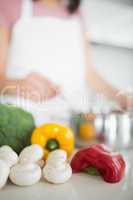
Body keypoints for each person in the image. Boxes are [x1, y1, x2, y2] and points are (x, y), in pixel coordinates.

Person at [0, 0, 131, 125]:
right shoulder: (9, 4)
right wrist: (15, 85)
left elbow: (90, 74)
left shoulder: (77, 14)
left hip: (73, 126)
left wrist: (122, 98)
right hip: (22, 122)